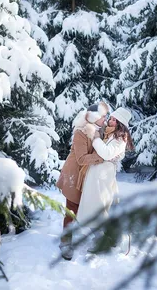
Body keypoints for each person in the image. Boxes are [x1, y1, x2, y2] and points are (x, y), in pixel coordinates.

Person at [56, 101, 109, 260]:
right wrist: (101, 158)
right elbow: (80, 158)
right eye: (103, 117)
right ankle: (66, 242)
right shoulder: (81, 132)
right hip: (74, 174)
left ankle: (99, 235)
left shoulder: (99, 130)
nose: (105, 120)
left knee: (90, 204)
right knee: (72, 209)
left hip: (87, 175)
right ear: (94, 117)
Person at [76, 107, 134, 248]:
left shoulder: (120, 138)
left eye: (115, 120)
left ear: (121, 124)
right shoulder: (108, 134)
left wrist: (95, 138)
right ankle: (104, 238)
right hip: (96, 174)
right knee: (91, 207)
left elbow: (106, 154)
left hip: (103, 175)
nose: (111, 121)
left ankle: (110, 238)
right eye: (111, 118)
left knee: (98, 208)